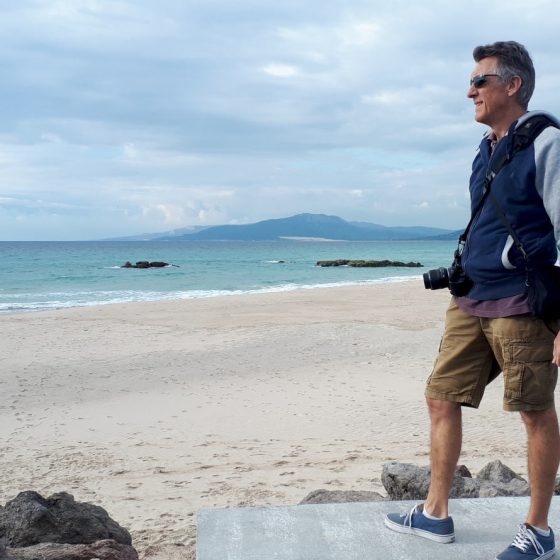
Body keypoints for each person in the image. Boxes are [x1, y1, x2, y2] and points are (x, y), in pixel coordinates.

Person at [385, 41, 560, 560]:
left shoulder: (547, 142)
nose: (470, 91)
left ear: (512, 85)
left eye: (479, 81)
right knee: (441, 396)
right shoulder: (486, 147)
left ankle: (539, 529)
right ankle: (436, 514)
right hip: (469, 298)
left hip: (522, 302)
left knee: (533, 411)